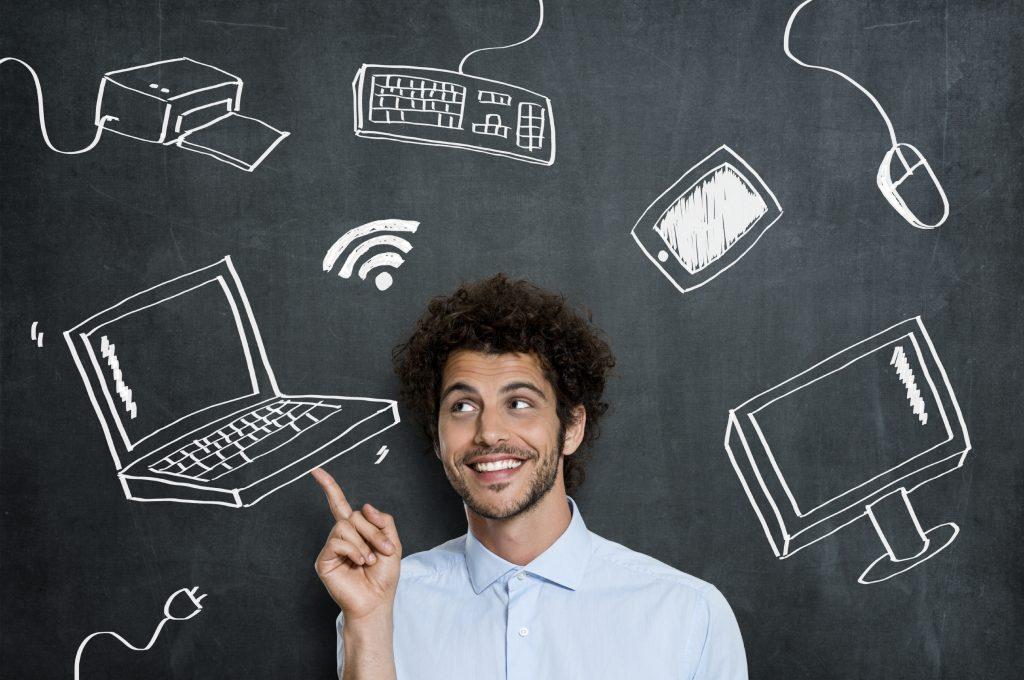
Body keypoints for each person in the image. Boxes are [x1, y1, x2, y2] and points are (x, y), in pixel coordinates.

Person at [312, 274, 747, 680]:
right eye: (463, 406)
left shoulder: (689, 614)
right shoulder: (380, 605)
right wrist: (368, 623)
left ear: (571, 427)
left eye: (519, 402)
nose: (490, 433)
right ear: (439, 437)